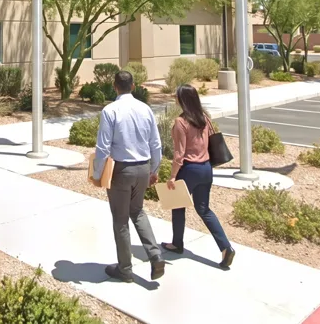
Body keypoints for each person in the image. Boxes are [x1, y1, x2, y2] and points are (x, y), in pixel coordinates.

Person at [90, 70, 165, 282]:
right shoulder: (145, 109)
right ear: (133, 86)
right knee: (138, 211)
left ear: (114, 86)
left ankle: (125, 269)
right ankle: (155, 254)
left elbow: (103, 147)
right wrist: (154, 169)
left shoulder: (110, 110)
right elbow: (156, 143)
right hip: (142, 168)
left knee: (121, 219)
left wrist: (97, 173)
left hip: (121, 170)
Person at [163, 84, 235, 269]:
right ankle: (225, 247)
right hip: (206, 168)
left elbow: (179, 154)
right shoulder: (204, 118)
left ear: (183, 100)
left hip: (189, 169)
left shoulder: (181, 122)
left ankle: (177, 244)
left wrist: (172, 176)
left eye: (177, 96)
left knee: (178, 206)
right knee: (204, 209)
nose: (175, 98)